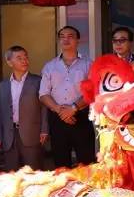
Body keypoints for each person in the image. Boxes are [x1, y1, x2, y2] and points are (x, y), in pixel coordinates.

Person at [39, 26, 94, 168]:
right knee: (61, 164)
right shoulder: (49, 66)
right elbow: (43, 94)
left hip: (81, 117)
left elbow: (93, 92)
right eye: (62, 36)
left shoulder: (89, 64)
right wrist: (60, 110)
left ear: (78, 40)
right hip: (57, 119)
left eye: (70, 36)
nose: (66, 39)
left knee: (86, 163)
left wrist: (74, 108)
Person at [0, 46, 48, 171]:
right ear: (9, 62)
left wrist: (44, 130)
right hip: (9, 135)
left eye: (26, 57)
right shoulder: (2, 86)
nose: (24, 60)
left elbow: (44, 108)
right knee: (11, 173)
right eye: (19, 58)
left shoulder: (38, 81)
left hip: (32, 133)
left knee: (34, 172)